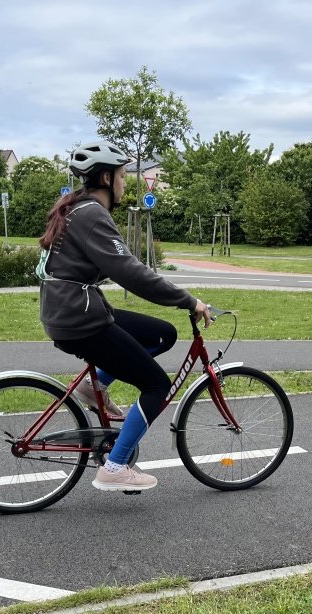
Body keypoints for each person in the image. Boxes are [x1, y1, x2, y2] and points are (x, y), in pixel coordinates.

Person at [37, 140, 211, 493]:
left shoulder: (78, 209)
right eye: (121, 176)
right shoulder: (91, 215)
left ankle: (95, 385)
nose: (124, 183)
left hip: (74, 311)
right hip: (81, 319)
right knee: (157, 386)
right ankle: (114, 467)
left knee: (162, 334)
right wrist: (188, 301)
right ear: (106, 178)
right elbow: (131, 273)